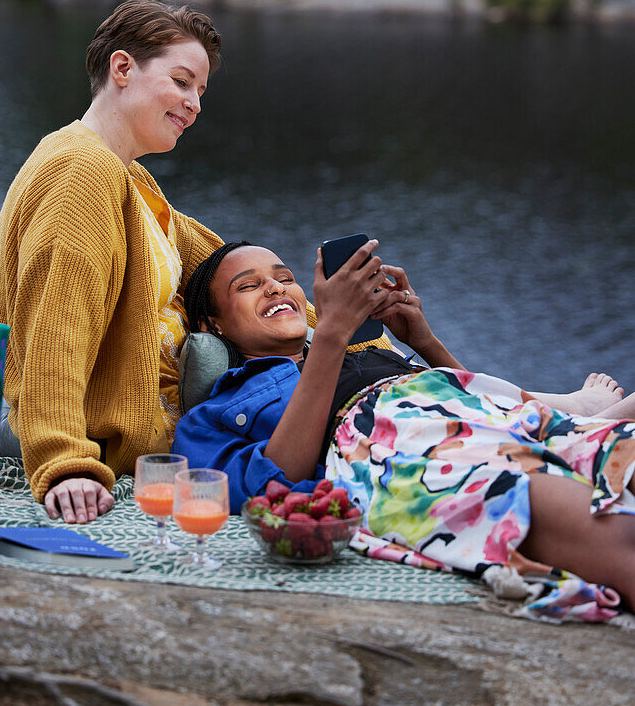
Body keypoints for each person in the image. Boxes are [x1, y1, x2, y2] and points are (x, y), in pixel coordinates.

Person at [172, 241, 635, 617]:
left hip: (476, 418)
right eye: (249, 286)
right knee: (610, 530)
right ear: (214, 323)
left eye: (285, 278)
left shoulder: (366, 353)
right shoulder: (217, 411)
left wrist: (422, 341)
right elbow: (276, 485)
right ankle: (585, 420)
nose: (275, 288)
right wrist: (331, 332)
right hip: (396, 455)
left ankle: (585, 421)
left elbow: (465, 396)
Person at [0, 0, 228, 526]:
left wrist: (344, 318)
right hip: (121, 455)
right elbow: (56, 324)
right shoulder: (80, 172)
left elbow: (226, 269)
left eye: (201, 92)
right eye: (182, 81)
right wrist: (63, 461)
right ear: (123, 68)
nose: (195, 104)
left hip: (173, 445)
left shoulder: (128, 177)